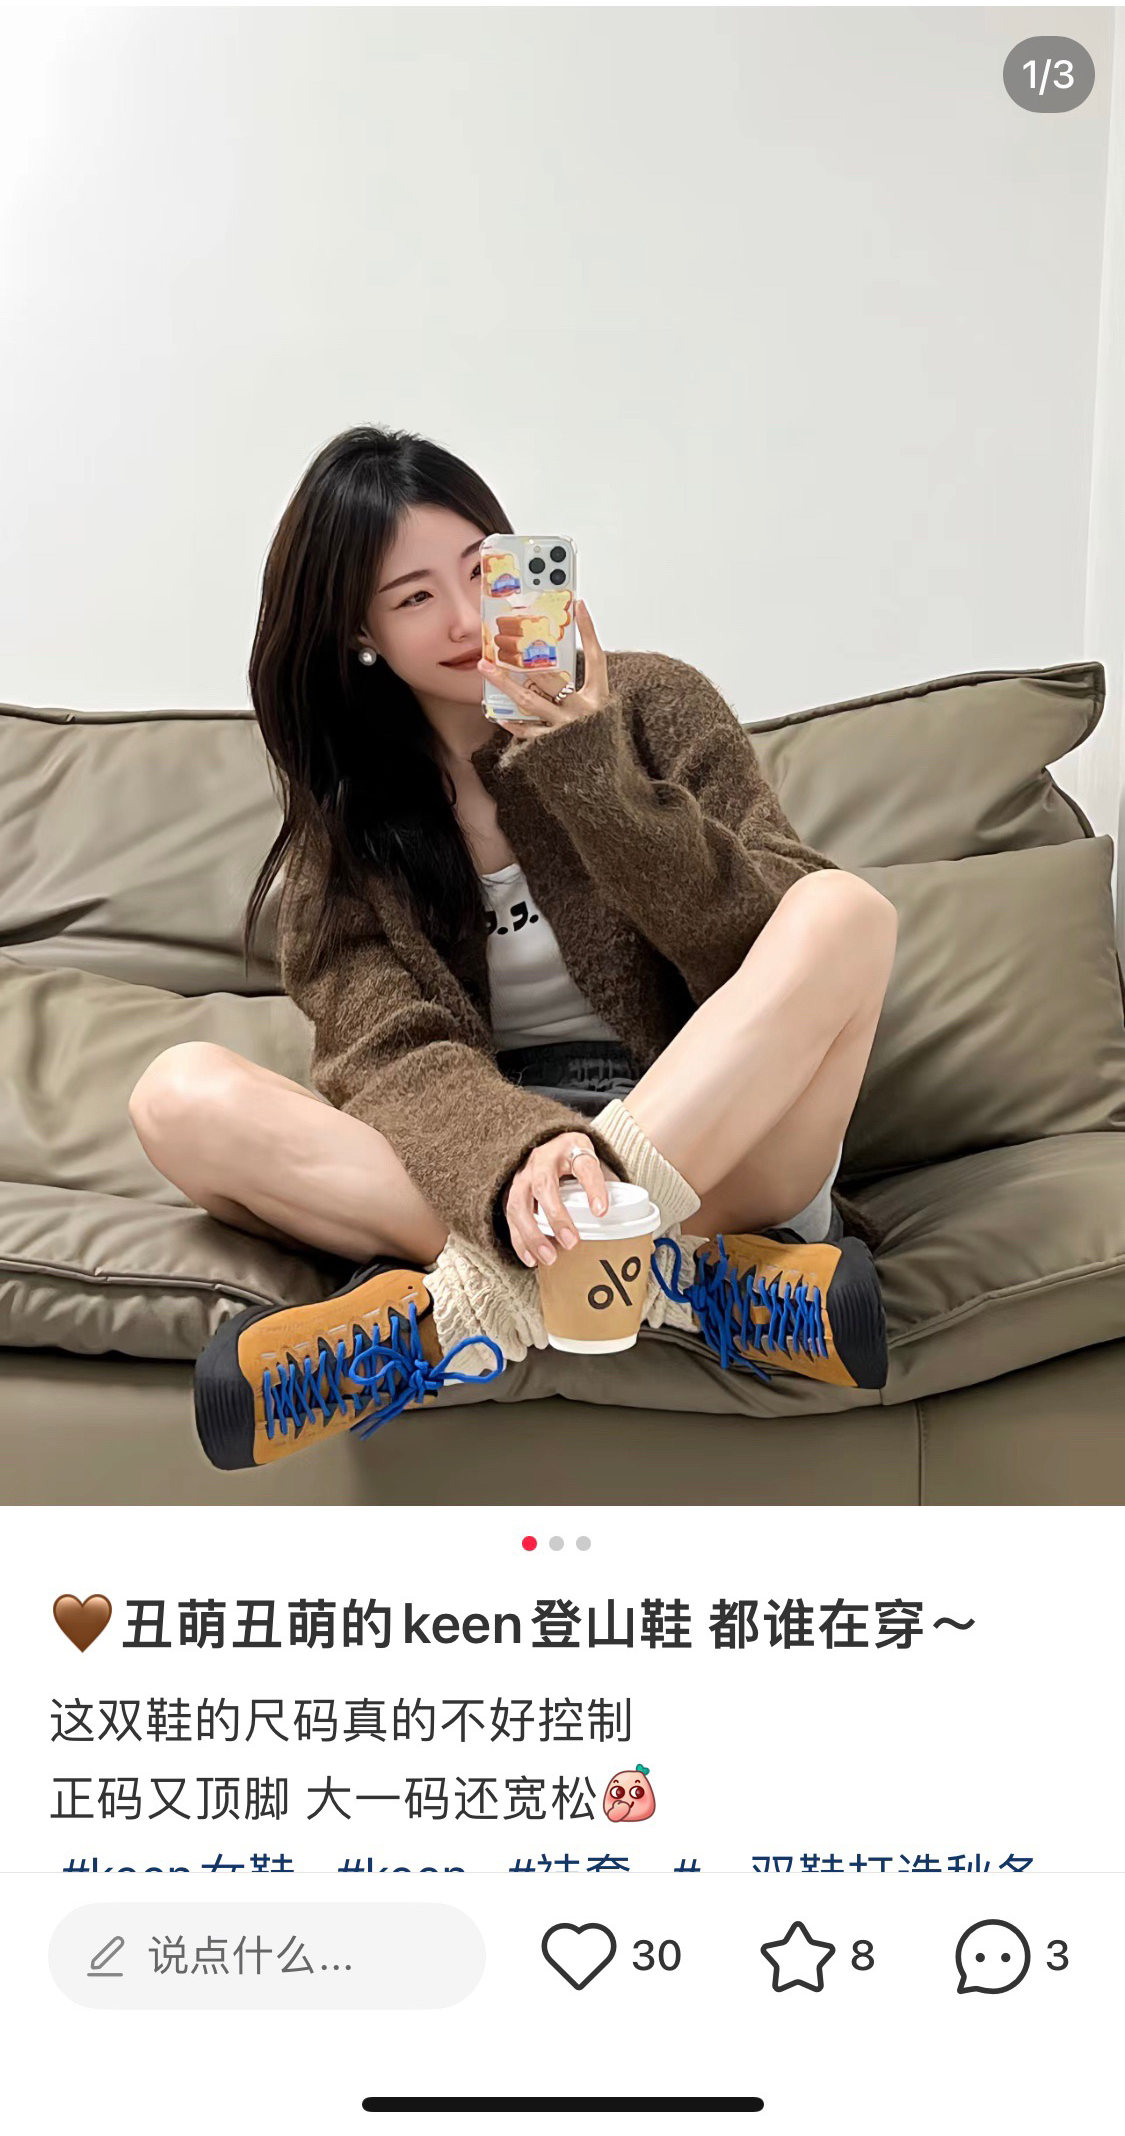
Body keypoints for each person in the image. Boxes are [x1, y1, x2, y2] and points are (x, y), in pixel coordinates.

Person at [128, 427, 898, 1468]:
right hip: (489, 1168)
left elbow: (755, 953)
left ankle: (458, 1312)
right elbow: (388, 1054)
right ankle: (690, 1285)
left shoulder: (657, 702)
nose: (464, 618)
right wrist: (517, 1156)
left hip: (718, 1140)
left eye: (481, 570)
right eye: (413, 597)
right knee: (175, 1095)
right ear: (358, 631)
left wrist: (587, 766)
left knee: (842, 911)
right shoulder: (347, 823)